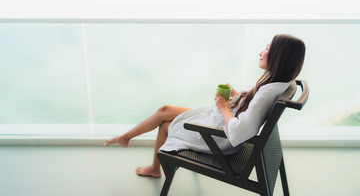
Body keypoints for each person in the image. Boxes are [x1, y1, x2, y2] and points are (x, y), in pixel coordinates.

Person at [104, 34, 306, 178]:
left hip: (219, 138)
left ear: (279, 57)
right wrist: (237, 95)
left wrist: (223, 108)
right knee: (165, 110)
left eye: (268, 49)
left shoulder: (267, 92)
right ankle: (126, 138)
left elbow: (239, 132)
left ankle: (154, 167)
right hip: (220, 124)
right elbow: (252, 110)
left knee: (165, 124)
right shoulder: (277, 83)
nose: (261, 52)